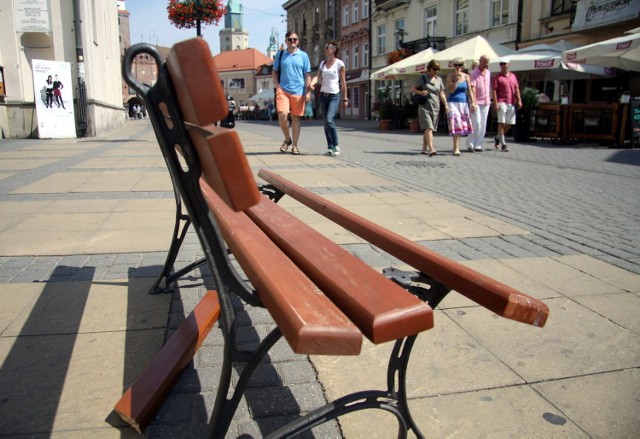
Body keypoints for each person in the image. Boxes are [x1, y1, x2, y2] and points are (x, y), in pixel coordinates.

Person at [273, 31, 311, 155]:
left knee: (296, 118)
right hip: (283, 89)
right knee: (282, 114)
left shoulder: (303, 56)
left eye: (294, 39)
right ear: (286, 41)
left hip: (299, 90)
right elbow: (275, 71)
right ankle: (287, 138)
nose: (292, 41)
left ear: (298, 41)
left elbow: (307, 75)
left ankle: (294, 145)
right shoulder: (280, 55)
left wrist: (308, 91)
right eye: (290, 39)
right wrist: (277, 85)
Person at [312, 40, 347, 156]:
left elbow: (343, 81)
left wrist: (345, 98)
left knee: (329, 119)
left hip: (334, 95)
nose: (325, 49)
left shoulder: (339, 64)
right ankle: (330, 147)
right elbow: (317, 77)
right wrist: (312, 83)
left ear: (334, 49)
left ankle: (336, 145)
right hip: (323, 95)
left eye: (328, 47)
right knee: (325, 123)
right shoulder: (322, 64)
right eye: (325, 47)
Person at [410, 59, 448, 156]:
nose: (436, 71)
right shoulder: (422, 78)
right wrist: (420, 92)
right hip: (424, 106)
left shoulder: (439, 80)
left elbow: (441, 93)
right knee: (429, 127)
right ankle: (431, 148)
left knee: (429, 129)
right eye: (435, 69)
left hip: (435, 107)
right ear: (429, 69)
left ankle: (423, 149)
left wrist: (446, 105)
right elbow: (412, 89)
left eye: (438, 69)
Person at [445, 57, 474, 156]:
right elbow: (451, 90)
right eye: (456, 65)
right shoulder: (450, 76)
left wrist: (473, 102)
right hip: (453, 102)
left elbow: (469, 90)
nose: (457, 67)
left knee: (461, 126)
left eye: (459, 65)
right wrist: (456, 81)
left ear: (462, 66)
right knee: (457, 123)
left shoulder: (466, 76)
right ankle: (455, 147)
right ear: (453, 66)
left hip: (463, 103)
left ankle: (456, 146)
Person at [492, 57, 522, 152]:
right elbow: (494, 90)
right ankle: (503, 144)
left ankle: (498, 137)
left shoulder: (513, 76)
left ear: (509, 64)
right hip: (501, 101)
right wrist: (495, 103)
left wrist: (519, 99)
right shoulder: (497, 77)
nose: (502, 65)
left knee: (509, 124)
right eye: (501, 64)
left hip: (511, 102)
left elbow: (516, 88)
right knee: (502, 123)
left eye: (504, 63)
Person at [466, 55, 491, 152]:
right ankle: (470, 143)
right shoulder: (474, 73)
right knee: (477, 123)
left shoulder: (488, 73)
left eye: (488, 62)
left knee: (483, 124)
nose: (487, 64)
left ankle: (478, 144)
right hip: (476, 101)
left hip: (486, 101)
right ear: (480, 61)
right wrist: (473, 102)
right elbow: (472, 88)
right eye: (485, 62)